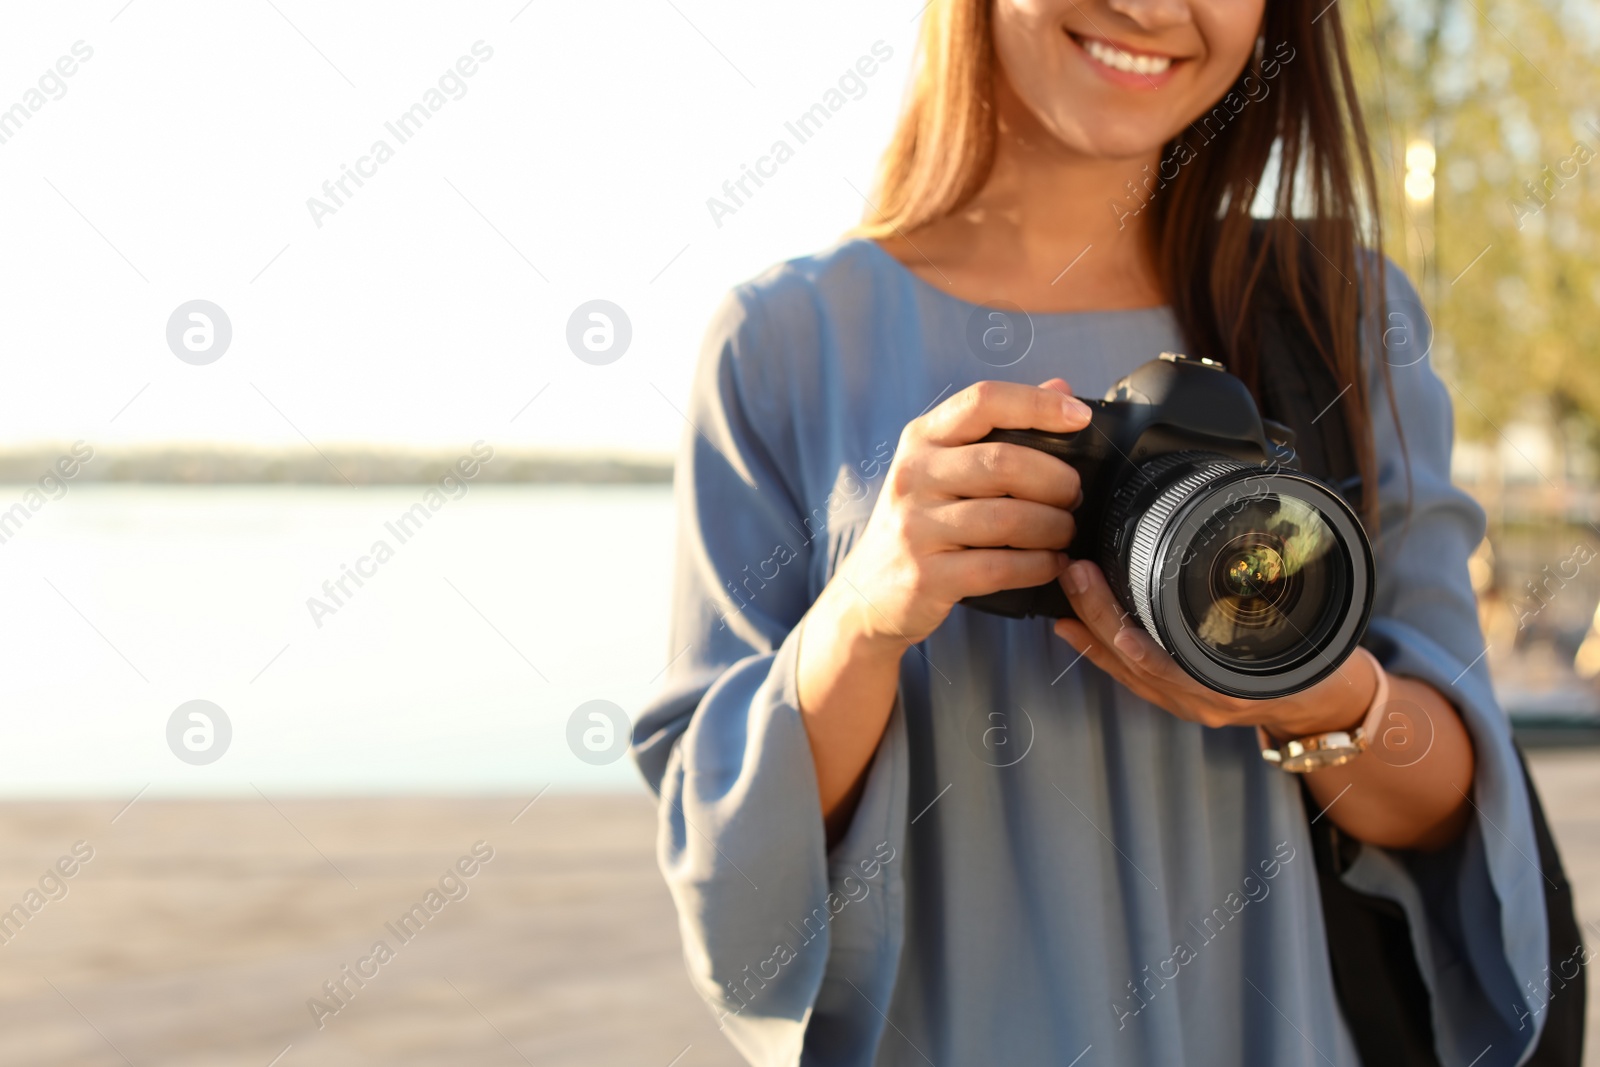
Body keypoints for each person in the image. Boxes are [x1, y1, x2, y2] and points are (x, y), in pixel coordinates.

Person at [634, 2, 1549, 1064]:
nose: (1155, 9)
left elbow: (1458, 809)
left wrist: (1309, 692)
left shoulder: (1336, 312)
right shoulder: (783, 341)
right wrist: (863, 618)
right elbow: (725, 855)